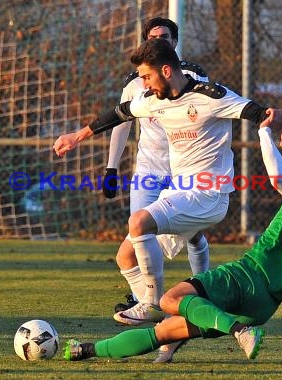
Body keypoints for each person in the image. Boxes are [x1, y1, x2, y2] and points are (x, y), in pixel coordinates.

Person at [60, 112, 282, 363]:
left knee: (170, 300)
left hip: (247, 277)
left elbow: (277, 178)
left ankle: (239, 331)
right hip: (264, 307)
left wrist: (264, 132)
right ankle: (85, 350)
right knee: (165, 331)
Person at [54, 38, 282, 327]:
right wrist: (75, 137)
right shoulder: (154, 100)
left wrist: (281, 124)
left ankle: (153, 303)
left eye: (146, 76)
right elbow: (120, 113)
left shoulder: (211, 96)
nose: (144, 84)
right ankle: (173, 318)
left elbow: (257, 113)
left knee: (139, 223)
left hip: (209, 195)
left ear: (166, 70)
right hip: (180, 192)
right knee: (125, 257)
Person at [106, 18, 211, 320]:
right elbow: (120, 121)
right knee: (138, 236)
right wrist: (111, 168)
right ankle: (146, 300)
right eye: (153, 37)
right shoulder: (135, 82)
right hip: (148, 172)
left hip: (184, 172)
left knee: (192, 234)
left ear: (174, 42)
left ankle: (203, 289)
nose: (160, 41)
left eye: (165, 37)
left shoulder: (192, 76)